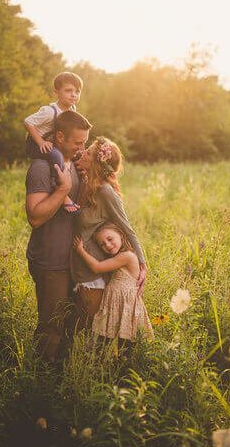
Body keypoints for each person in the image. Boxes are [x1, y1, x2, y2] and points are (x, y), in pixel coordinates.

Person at [25, 110, 91, 363]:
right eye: (77, 142)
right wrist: (63, 188)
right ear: (60, 136)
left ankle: (62, 377)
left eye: (84, 142)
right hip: (50, 260)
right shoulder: (41, 167)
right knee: (51, 327)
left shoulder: (73, 164)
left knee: (72, 323)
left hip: (73, 259)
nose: (81, 147)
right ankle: (41, 384)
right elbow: (35, 217)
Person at [72, 137, 147, 329]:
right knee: (81, 324)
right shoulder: (90, 184)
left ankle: (99, 360)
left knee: (93, 328)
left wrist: (142, 262)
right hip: (80, 265)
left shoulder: (105, 191)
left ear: (97, 163)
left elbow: (127, 227)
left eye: (88, 153)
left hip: (92, 271)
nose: (83, 154)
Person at [73, 223, 153, 341]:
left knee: (126, 343)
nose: (108, 245)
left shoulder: (127, 256)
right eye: (102, 244)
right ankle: (109, 358)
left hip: (126, 306)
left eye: (110, 239)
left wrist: (81, 251)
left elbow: (97, 267)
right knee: (111, 340)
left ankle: (122, 358)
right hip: (118, 304)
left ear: (121, 235)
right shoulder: (119, 256)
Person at [24, 71, 83, 214]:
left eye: (77, 91)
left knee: (78, 155)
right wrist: (41, 142)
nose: (73, 94)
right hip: (36, 144)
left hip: (52, 143)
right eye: (68, 91)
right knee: (57, 156)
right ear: (56, 92)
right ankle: (58, 187)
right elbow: (28, 122)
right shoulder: (50, 111)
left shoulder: (72, 109)